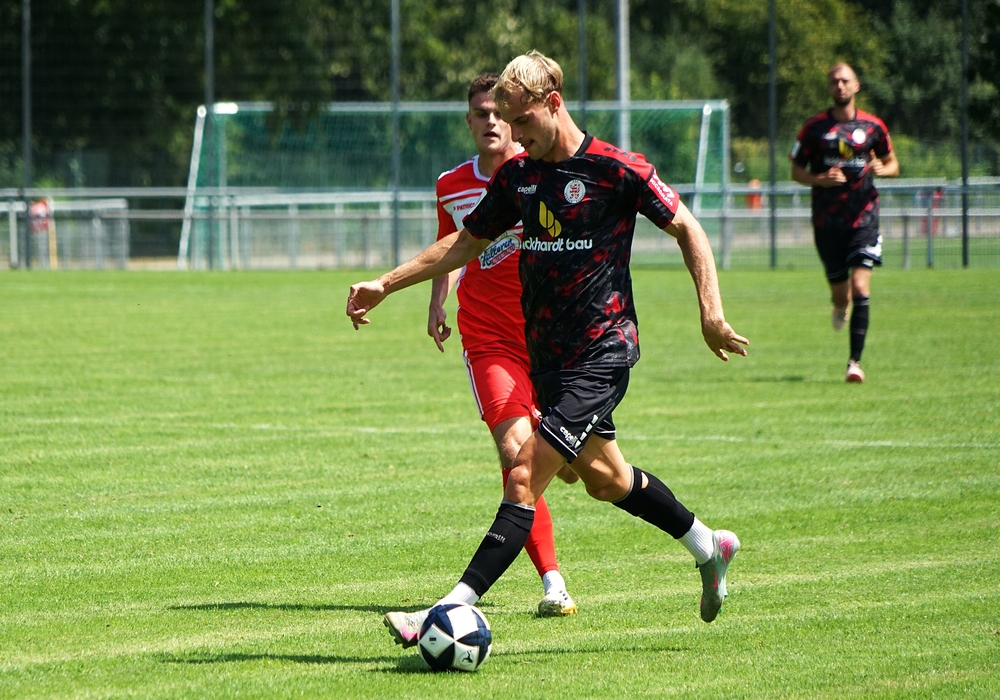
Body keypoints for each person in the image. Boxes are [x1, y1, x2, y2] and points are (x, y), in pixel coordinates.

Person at [347, 50, 748, 649]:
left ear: (552, 104)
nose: (514, 134)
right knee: (607, 480)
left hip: (602, 354)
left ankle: (445, 610)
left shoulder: (617, 169)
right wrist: (386, 283)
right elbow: (462, 244)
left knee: (521, 476)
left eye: (522, 121)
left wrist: (710, 312)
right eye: (506, 120)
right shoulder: (519, 177)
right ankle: (708, 545)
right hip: (548, 360)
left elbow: (688, 226)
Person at [428, 72, 578, 618]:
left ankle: (701, 539)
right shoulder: (451, 185)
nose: (491, 121)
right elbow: (452, 244)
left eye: (499, 112)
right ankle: (553, 582)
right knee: (517, 456)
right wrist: (437, 300)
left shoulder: (540, 173)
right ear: (469, 121)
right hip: (488, 338)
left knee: (582, 470)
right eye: (480, 113)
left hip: (549, 340)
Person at [790, 62, 899, 383]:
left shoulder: (873, 126)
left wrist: (884, 169)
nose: (840, 85)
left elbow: (892, 163)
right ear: (829, 87)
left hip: (864, 218)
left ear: (856, 85)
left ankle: (854, 363)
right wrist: (820, 179)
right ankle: (840, 306)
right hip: (827, 222)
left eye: (845, 80)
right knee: (841, 294)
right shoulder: (814, 129)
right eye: (834, 81)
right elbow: (796, 171)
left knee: (861, 286)